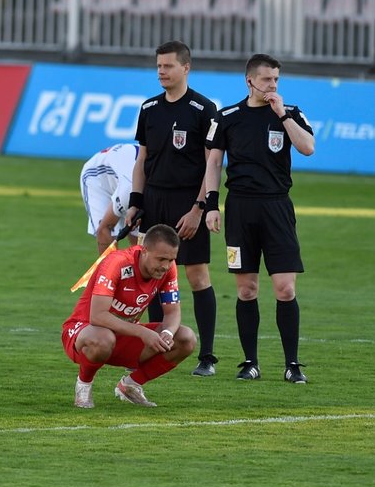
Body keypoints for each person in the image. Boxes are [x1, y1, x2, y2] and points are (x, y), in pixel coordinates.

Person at [204, 53, 315, 384]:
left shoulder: (290, 113)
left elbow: (308, 148)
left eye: (277, 80)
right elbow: (213, 164)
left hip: (277, 208)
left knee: (285, 288)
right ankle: (250, 361)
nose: (273, 85)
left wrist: (281, 115)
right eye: (268, 80)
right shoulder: (228, 117)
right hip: (240, 210)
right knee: (247, 289)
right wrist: (212, 205)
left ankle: (292, 364)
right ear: (250, 81)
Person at [126, 40, 221, 377]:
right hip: (154, 200)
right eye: (158, 66)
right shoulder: (149, 108)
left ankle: (207, 356)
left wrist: (199, 207)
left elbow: (212, 163)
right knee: (151, 275)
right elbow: (142, 159)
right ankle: (155, 346)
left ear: (186, 68)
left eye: (167, 66)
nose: (161, 72)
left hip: (186, 201)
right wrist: (136, 201)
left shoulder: (203, 109)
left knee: (196, 275)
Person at [62, 223, 196, 409]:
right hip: (84, 332)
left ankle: (130, 385)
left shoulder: (168, 269)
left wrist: (168, 332)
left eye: (171, 259)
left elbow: (173, 312)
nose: (166, 266)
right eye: (161, 259)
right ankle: (84, 385)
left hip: (123, 336)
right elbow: (98, 316)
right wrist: (142, 332)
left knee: (186, 338)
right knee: (103, 338)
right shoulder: (116, 263)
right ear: (144, 250)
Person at [80, 143, 141, 253]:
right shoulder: (129, 189)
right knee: (109, 233)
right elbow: (104, 229)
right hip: (98, 177)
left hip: (125, 175)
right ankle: (107, 270)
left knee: (141, 242)